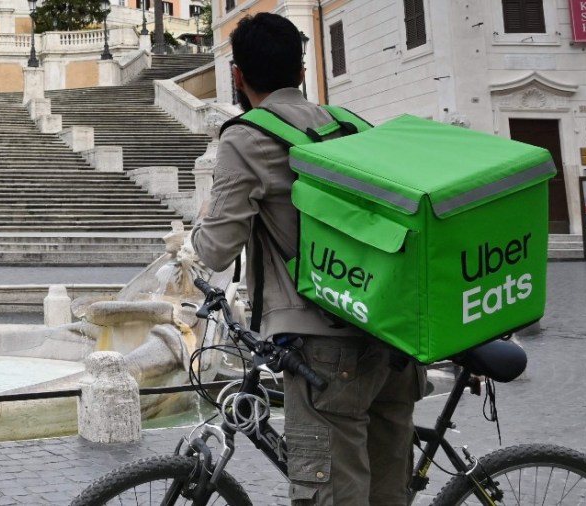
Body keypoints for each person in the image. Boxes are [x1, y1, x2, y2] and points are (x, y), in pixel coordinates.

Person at [190, 12, 425, 506]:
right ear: (302, 70)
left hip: (323, 349)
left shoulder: (247, 137)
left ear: (237, 76)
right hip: (391, 332)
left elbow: (215, 248)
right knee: (388, 495)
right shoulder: (353, 126)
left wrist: (206, 212)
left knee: (334, 496)